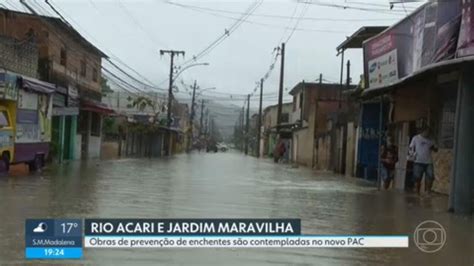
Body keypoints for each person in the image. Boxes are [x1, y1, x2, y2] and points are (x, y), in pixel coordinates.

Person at [409, 127, 438, 196]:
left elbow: (435, 149)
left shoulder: (431, 140)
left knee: (430, 176)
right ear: (423, 131)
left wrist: (435, 146)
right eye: (426, 131)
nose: (427, 133)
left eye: (429, 132)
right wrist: (412, 154)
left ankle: (428, 191)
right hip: (418, 161)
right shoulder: (416, 138)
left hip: (428, 161)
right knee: (417, 177)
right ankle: (417, 192)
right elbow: (411, 148)